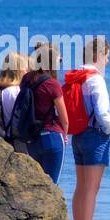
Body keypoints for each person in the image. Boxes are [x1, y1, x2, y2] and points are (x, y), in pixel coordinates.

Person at [66, 36, 110, 220]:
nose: (108, 61)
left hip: (77, 133)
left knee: (81, 186)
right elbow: (102, 112)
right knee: (92, 187)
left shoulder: (76, 76)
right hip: (95, 134)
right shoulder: (96, 78)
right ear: (98, 55)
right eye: (107, 56)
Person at [20, 47, 69, 185]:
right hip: (52, 136)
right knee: (52, 187)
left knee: (37, 185)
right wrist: (65, 135)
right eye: (59, 60)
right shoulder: (52, 84)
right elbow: (64, 118)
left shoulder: (26, 79)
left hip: (32, 139)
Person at [0, 52, 26, 146]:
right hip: (16, 140)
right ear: (18, 69)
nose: (26, 71)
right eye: (24, 67)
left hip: (2, 136)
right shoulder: (17, 92)